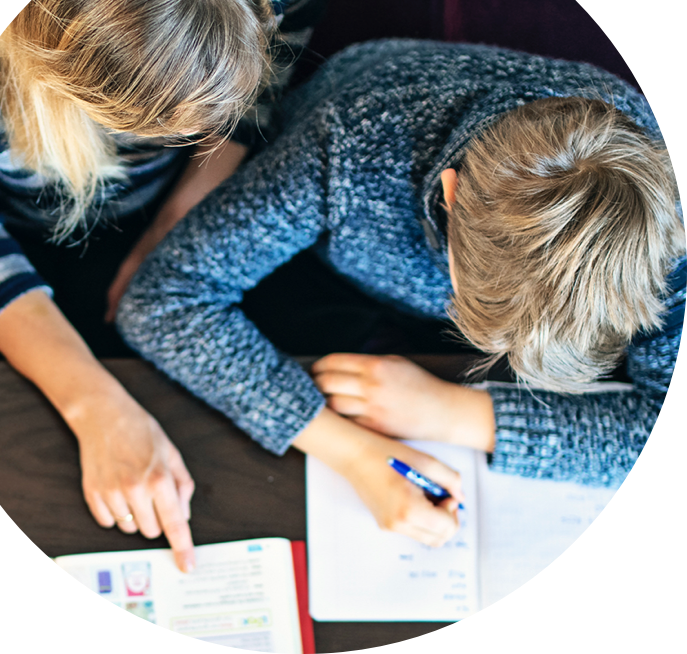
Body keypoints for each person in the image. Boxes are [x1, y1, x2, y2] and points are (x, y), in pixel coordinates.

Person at [117, 38, 687, 548]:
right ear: (451, 192)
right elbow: (162, 301)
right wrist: (352, 452)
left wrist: (453, 412)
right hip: (336, 259)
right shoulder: (349, 144)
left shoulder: (665, 215)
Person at [0, 0, 329, 572]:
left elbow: (274, 72)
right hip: (12, 231)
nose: (191, 134)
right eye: (156, 124)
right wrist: (94, 406)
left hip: (208, 186)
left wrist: (173, 228)